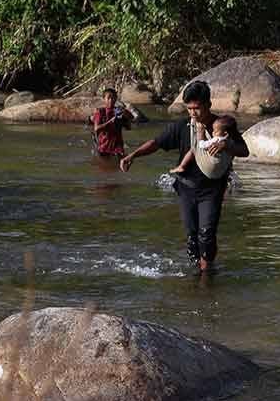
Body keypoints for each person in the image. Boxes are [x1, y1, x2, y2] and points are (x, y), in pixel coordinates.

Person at [119, 81, 248, 271]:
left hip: (212, 190)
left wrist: (227, 145)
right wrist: (133, 155)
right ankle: (196, 274)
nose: (193, 113)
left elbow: (244, 151)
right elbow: (156, 143)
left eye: (197, 108)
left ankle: (206, 276)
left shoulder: (222, 126)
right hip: (186, 189)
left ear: (208, 105)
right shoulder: (182, 126)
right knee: (192, 237)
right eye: (189, 109)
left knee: (207, 234)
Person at [170, 115, 236, 174]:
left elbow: (202, 145)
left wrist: (200, 133)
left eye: (215, 131)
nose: (213, 133)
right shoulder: (230, 141)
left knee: (193, 149)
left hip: (212, 166)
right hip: (223, 166)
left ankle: (181, 166)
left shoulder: (217, 139)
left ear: (225, 134)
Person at [91, 88, 134, 158]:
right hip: (104, 148)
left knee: (119, 166)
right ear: (104, 99)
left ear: (116, 99)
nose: (111, 100)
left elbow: (128, 127)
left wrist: (126, 115)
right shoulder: (100, 112)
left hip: (118, 148)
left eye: (113, 98)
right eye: (108, 98)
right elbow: (96, 129)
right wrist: (110, 122)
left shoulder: (119, 111)